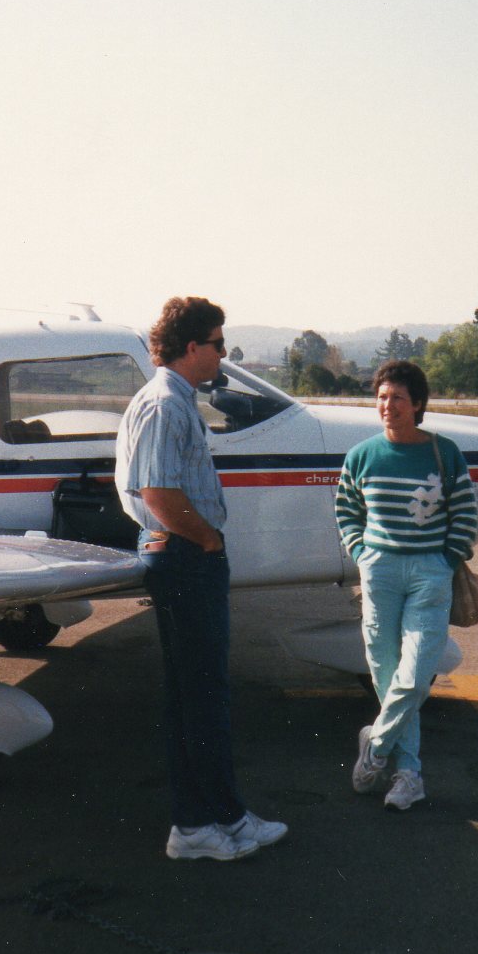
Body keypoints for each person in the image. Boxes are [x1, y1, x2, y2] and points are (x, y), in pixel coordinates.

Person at [114, 295, 287, 861]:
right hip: (187, 556)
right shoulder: (166, 404)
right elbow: (158, 493)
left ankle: (219, 819)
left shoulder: (173, 400)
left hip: (185, 554)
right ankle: (199, 825)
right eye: (218, 345)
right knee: (202, 697)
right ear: (192, 347)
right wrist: (208, 539)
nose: (223, 354)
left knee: (198, 696)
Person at [336, 360, 478, 811]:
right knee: (386, 673)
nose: (387, 405)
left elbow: (465, 514)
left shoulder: (444, 452)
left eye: (397, 398)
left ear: (417, 404)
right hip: (379, 573)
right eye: (381, 396)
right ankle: (409, 774)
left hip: (429, 574)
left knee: (415, 674)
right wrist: (362, 553)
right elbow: (346, 508)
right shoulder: (362, 455)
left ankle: (375, 747)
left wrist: (445, 559)